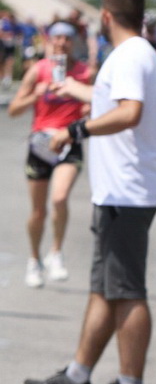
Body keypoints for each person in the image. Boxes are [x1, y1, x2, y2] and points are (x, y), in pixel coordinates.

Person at [23, 0, 156, 384]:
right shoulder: (139, 54)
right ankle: (77, 375)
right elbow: (115, 100)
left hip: (127, 191)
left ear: (106, 16)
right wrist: (81, 93)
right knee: (105, 289)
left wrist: (75, 129)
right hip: (120, 191)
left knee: (127, 291)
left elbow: (128, 112)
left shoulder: (128, 56)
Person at [7, 21, 92, 288]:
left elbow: (93, 103)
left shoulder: (82, 72)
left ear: (73, 42)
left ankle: (56, 252)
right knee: (38, 212)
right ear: (49, 41)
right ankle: (34, 259)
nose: (62, 43)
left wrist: (87, 110)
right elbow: (13, 110)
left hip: (69, 141)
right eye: (57, 38)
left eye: (67, 39)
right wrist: (35, 95)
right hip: (40, 144)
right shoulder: (38, 71)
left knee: (60, 198)